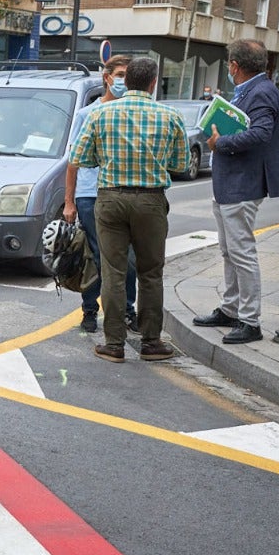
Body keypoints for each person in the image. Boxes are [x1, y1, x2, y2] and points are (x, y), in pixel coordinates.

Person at [70, 56, 185, 362]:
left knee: (113, 272)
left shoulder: (100, 114)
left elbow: (82, 157)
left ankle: (114, 343)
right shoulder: (170, 116)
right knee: (150, 273)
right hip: (151, 201)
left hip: (110, 198)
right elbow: (182, 163)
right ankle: (150, 342)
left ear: (126, 80)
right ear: (153, 82)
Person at [195, 39, 279, 345]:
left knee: (242, 253)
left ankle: (250, 320)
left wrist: (219, 143)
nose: (228, 69)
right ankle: (231, 308)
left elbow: (261, 134)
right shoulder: (252, 89)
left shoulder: (261, 92)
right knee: (229, 251)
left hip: (242, 184)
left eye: (229, 64)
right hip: (229, 183)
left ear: (235, 65)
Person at [63, 54, 139, 334]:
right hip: (90, 194)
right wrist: (69, 202)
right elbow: (73, 160)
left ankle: (127, 310)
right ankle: (90, 310)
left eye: (127, 76)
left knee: (128, 258)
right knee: (97, 254)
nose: (123, 81)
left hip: (126, 193)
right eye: (119, 75)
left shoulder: (134, 112)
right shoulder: (88, 114)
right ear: (107, 78)